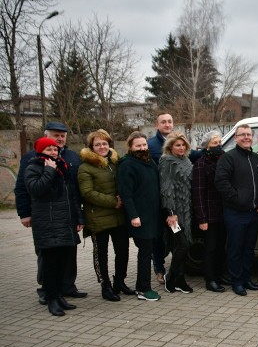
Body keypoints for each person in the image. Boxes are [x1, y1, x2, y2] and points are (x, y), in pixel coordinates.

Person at [14, 122, 87, 303]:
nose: (60, 139)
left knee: (69, 252)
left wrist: (79, 215)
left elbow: (74, 189)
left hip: (68, 213)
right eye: (56, 135)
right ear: (46, 136)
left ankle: (68, 286)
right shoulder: (32, 158)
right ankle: (47, 290)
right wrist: (24, 213)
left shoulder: (71, 156)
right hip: (46, 215)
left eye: (63, 135)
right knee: (47, 254)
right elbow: (22, 187)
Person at [78, 129, 134, 302]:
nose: (102, 147)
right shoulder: (85, 167)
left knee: (123, 250)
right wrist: (113, 202)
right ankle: (106, 285)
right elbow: (87, 193)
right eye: (97, 144)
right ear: (91, 147)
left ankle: (119, 282)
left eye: (105, 143)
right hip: (98, 217)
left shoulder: (116, 163)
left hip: (118, 216)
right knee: (101, 253)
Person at [215, 124, 258, 296]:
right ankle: (236, 282)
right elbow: (221, 183)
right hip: (235, 213)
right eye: (242, 135)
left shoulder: (257, 159)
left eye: (248, 134)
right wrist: (238, 200)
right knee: (236, 248)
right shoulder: (228, 158)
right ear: (235, 138)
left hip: (253, 213)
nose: (246, 137)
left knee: (248, 249)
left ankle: (246, 279)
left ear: (253, 137)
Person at [118, 132, 162, 301]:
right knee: (145, 252)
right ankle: (143, 289)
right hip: (140, 218)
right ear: (130, 147)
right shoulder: (127, 165)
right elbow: (126, 194)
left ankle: (143, 286)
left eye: (144, 145)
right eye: (138, 145)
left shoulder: (149, 161)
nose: (142, 148)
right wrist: (133, 216)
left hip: (153, 215)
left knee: (148, 250)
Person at [191, 131, 229, 293]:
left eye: (220, 142)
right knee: (211, 247)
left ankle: (219, 275)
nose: (218, 146)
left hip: (224, 212)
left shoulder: (224, 161)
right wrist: (202, 219)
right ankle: (210, 279)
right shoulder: (201, 164)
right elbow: (197, 193)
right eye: (214, 143)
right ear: (206, 147)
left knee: (221, 247)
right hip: (209, 214)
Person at [158, 132, 194, 293]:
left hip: (186, 210)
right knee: (183, 244)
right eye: (177, 145)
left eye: (183, 145)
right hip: (173, 213)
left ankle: (179, 279)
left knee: (182, 245)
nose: (181, 148)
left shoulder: (186, 160)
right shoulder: (167, 161)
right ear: (170, 147)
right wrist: (171, 213)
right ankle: (171, 276)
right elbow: (166, 188)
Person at [147, 113, 174, 285]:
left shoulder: (178, 141)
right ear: (157, 125)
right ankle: (159, 268)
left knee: (176, 233)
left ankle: (176, 268)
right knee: (157, 236)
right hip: (157, 199)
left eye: (169, 121)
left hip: (175, 200)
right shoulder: (150, 145)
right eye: (163, 122)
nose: (167, 124)